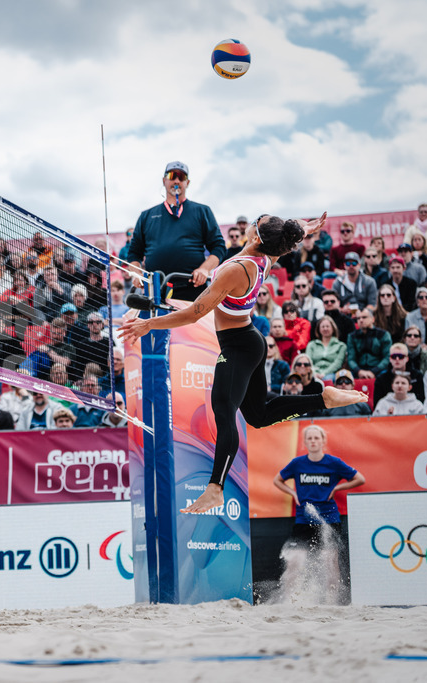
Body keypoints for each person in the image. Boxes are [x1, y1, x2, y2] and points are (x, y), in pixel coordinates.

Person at [120, 213, 367, 514]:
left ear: (254, 236)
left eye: (256, 221)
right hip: (249, 341)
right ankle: (322, 398)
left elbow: (196, 312)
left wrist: (149, 325)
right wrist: (304, 228)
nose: (252, 221)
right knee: (259, 415)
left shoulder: (237, 269)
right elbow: (287, 236)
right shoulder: (267, 256)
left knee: (224, 411)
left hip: (238, 345)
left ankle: (215, 488)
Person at [272, 425, 365, 602]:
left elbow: (360, 478)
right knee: (294, 561)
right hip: (303, 520)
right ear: (305, 442)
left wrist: (338, 487)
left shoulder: (333, 462)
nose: (313, 441)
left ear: (323, 441)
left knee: (329, 561)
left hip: (328, 519)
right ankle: (289, 600)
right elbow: (278, 480)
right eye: (310, 438)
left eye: (317, 438)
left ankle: (332, 601)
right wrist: (293, 493)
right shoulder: (297, 463)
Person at [126, 161, 226, 301]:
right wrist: (136, 273)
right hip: (156, 290)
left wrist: (204, 269)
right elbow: (134, 254)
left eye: (181, 177)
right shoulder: (146, 215)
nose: (177, 180)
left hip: (192, 288)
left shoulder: (202, 211)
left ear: (187, 182)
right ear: (164, 180)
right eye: (172, 176)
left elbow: (219, 246)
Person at [347, 308, 391, 379]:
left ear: (372, 319)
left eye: (364, 317)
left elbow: (387, 358)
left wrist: (374, 371)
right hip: (358, 371)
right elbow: (351, 359)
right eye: (358, 318)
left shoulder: (383, 335)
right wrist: (359, 371)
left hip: (379, 370)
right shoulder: (352, 336)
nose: (361, 320)